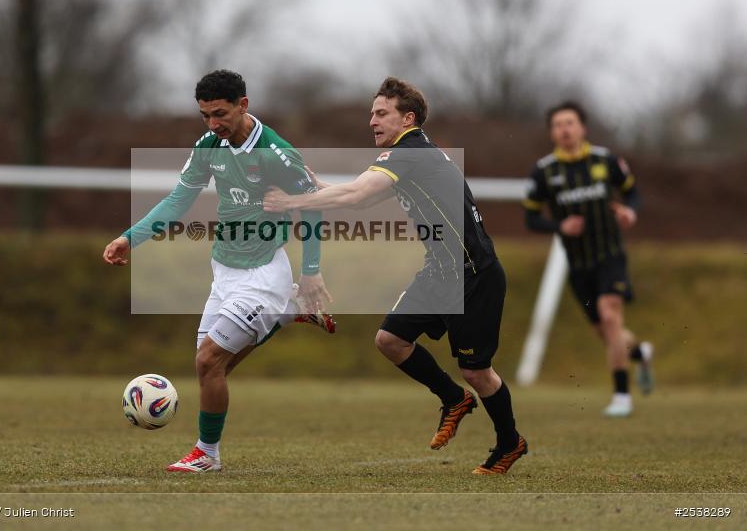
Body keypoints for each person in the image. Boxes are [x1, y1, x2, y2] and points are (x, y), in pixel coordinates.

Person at [264, 77, 527, 475]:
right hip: (442, 272)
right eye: (372, 113)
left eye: (381, 113)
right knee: (390, 340)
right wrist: (318, 187)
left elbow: (354, 196)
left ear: (408, 118)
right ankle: (454, 399)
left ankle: (510, 443)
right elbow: (362, 198)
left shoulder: (409, 153)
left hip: (475, 275)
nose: (372, 121)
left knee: (477, 370)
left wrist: (291, 201)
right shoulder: (413, 155)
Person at [103, 69, 335, 473]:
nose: (213, 125)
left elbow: (312, 205)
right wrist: (130, 238)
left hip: (264, 273)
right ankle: (287, 312)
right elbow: (179, 199)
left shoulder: (275, 152)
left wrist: (312, 270)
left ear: (243, 105)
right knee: (214, 367)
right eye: (205, 116)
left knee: (208, 361)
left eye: (220, 114)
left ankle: (206, 454)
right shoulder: (210, 145)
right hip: (225, 271)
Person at [523, 100, 653, 418]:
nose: (563, 129)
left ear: (582, 127)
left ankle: (622, 395)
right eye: (557, 125)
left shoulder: (605, 161)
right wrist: (559, 226)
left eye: (569, 123)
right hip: (577, 265)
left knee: (610, 317)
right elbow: (530, 218)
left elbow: (632, 192)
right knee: (605, 331)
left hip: (610, 255)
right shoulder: (544, 171)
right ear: (552, 133)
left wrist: (629, 211)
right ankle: (639, 352)